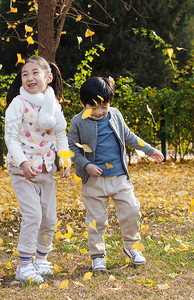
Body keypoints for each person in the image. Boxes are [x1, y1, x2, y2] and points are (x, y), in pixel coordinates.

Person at [67, 77, 164, 272]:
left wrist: (149, 150)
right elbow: (72, 149)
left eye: (104, 106)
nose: (100, 112)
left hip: (120, 177)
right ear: (82, 103)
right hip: (93, 181)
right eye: (93, 108)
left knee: (131, 210)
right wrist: (86, 166)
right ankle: (97, 256)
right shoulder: (78, 122)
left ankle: (132, 247)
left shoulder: (115, 115)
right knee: (96, 220)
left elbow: (129, 136)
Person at [4, 56, 71, 283]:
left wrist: (66, 160)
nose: (29, 78)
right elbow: (10, 137)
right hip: (22, 170)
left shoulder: (53, 105)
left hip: (46, 170)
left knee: (49, 218)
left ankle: (41, 260)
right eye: (25, 74)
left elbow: (61, 135)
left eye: (35, 73)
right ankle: (23, 266)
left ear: (48, 78)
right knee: (33, 215)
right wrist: (23, 163)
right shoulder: (18, 104)